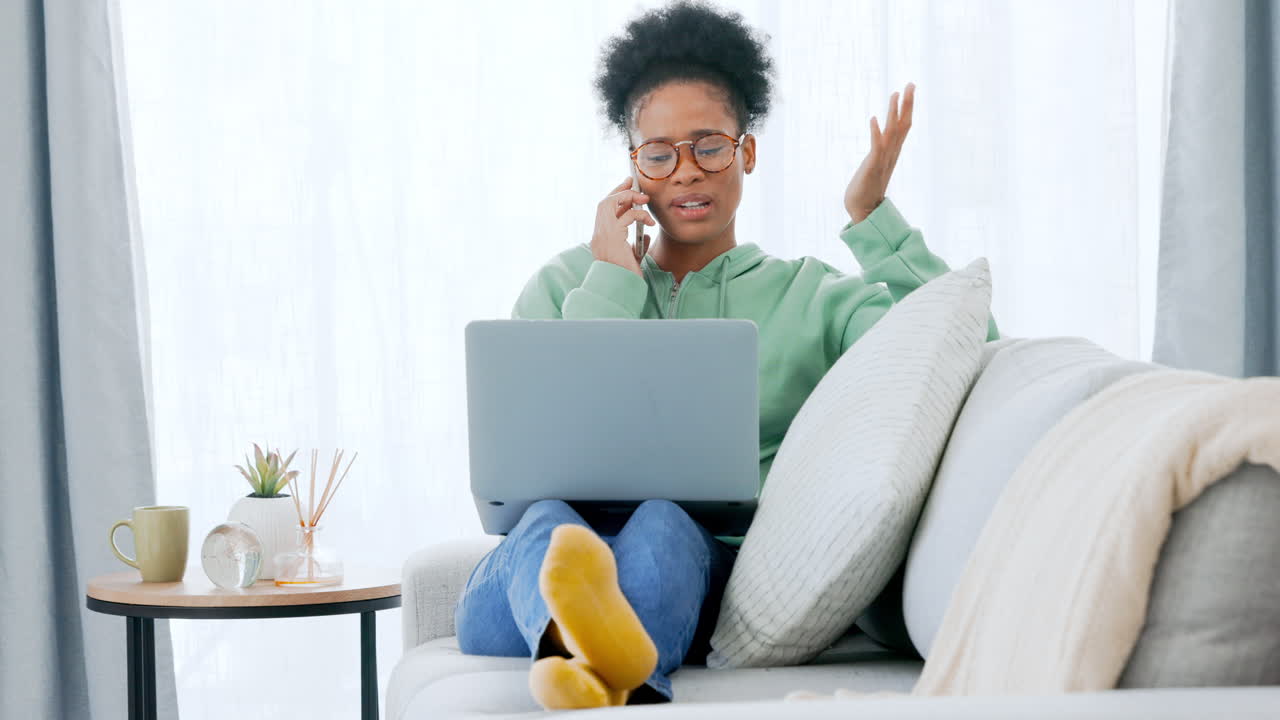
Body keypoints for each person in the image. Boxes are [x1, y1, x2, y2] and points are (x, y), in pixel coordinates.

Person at [454, 0, 1000, 710]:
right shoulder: (568, 281)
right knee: (552, 524)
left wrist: (872, 220)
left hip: (685, 563)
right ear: (631, 166)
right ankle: (599, 654)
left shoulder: (812, 297)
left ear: (746, 151)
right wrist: (614, 279)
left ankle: (585, 666)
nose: (685, 171)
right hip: (533, 562)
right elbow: (525, 452)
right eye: (659, 152)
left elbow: (966, 346)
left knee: (662, 520)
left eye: (708, 145)